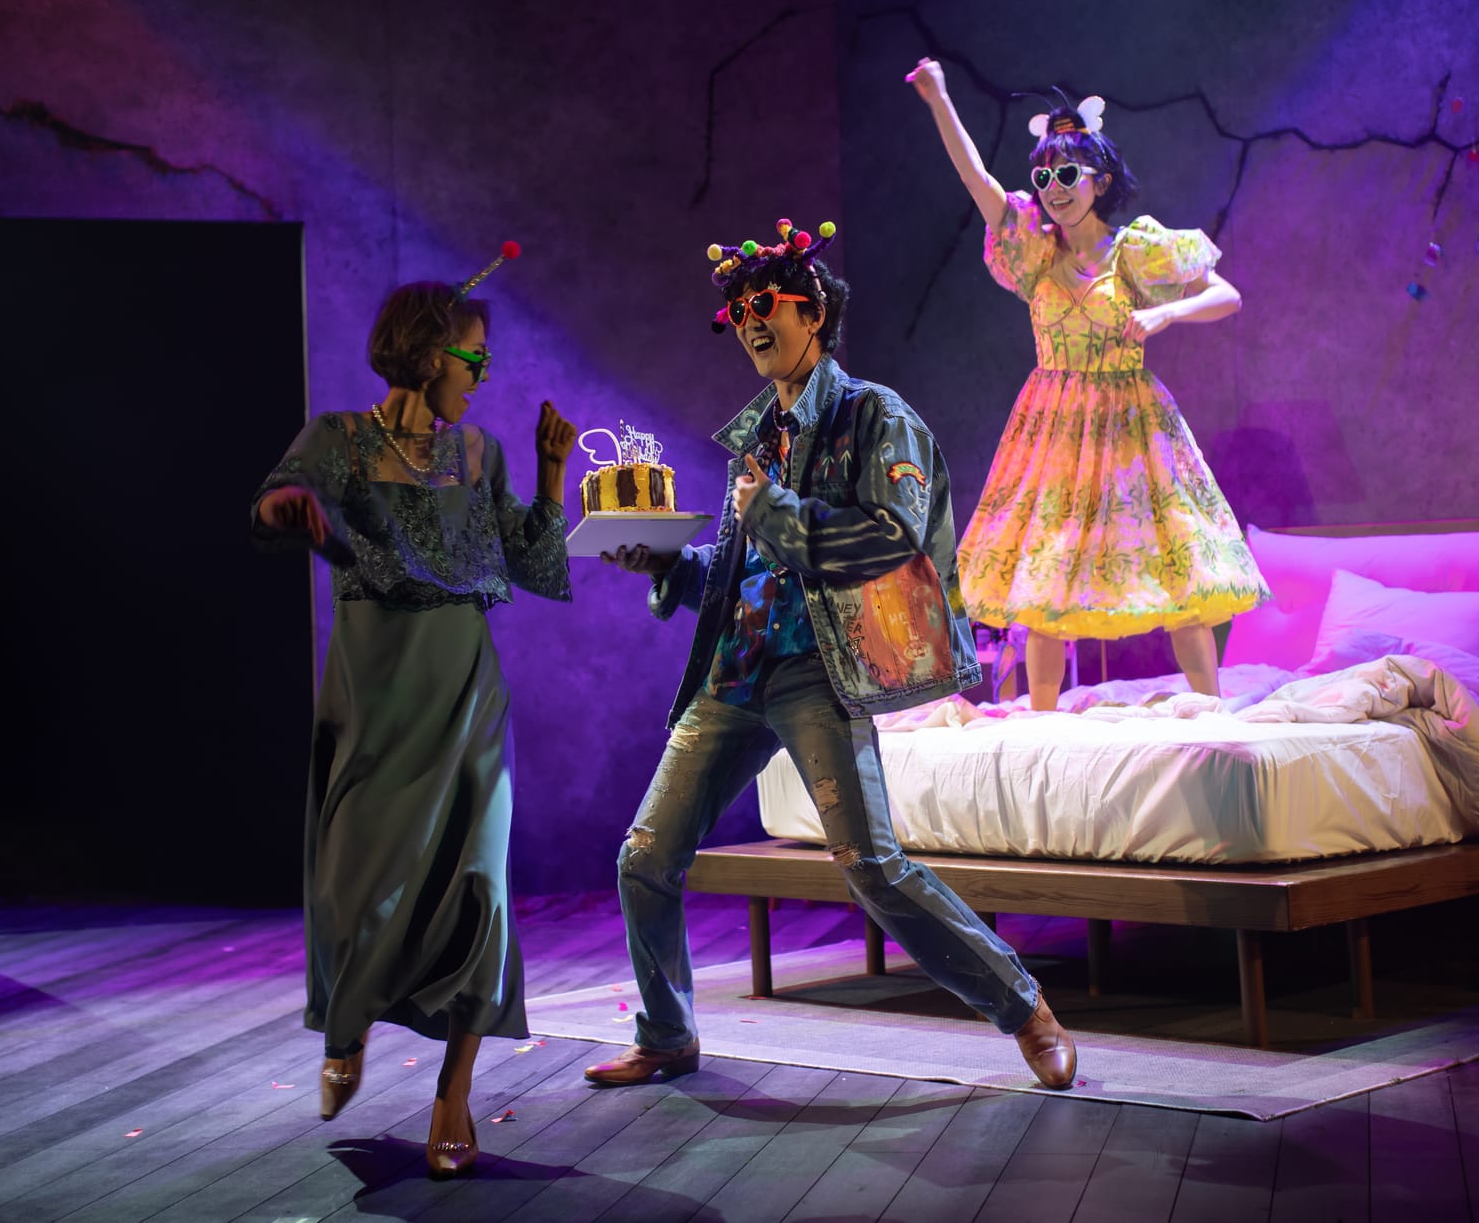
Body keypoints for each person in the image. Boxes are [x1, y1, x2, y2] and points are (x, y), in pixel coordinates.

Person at [591, 217, 1076, 1092]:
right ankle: (666, 1033)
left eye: (765, 305)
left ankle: (1025, 1008)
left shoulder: (873, 415)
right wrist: (668, 563)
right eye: (738, 312)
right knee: (644, 858)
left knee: (871, 867)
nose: (749, 322)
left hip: (820, 668)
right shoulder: (756, 439)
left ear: (812, 312)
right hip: (737, 669)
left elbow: (893, 537)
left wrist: (776, 513)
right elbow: (744, 573)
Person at [251, 248, 577, 1180]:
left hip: (466, 684)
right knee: (359, 890)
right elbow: (275, 504)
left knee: (480, 889)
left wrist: (552, 472)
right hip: (376, 688)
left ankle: (454, 1096)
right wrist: (289, 508)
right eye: (475, 357)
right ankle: (345, 1030)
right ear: (432, 354)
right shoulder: (339, 438)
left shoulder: (480, 453)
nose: (484, 374)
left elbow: (533, 564)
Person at [906, 59, 1268, 707]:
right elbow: (976, 179)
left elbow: (1227, 295)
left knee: (1176, 566)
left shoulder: (1136, 250)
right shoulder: (1035, 250)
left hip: (1131, 421)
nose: (1054, 188)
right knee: (1046, 578)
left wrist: (1166, 313)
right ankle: (1045, 727)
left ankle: (1211, 711)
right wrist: (939, 99)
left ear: (1099, 181)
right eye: (1044, 176)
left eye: (1068, 174)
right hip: (1054, 425)